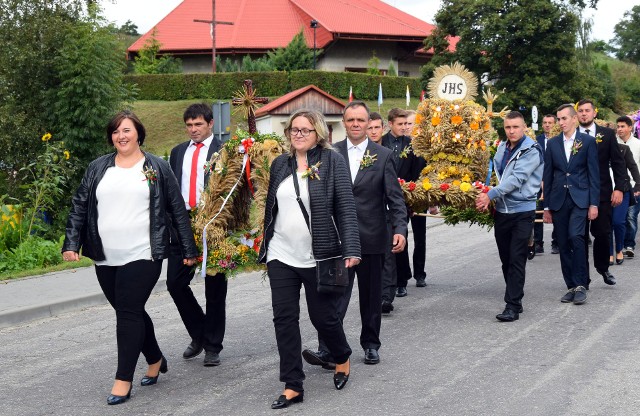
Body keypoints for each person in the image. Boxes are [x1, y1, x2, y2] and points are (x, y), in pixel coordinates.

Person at [62, 111, 198, 405]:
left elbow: (176, 209)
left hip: (144, 253)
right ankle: (155, 357)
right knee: (129, 309)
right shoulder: (98, 167)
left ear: (138, 133)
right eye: (115, 132)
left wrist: (189, 249)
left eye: (126, 130)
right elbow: (79, 206)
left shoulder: (157, 167)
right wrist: (71, 242)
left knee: (128, 312)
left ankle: (123, 378)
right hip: (105, 254)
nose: (120, 136)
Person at [259, 109, 361, 409]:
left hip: (319, 256)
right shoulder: (281, 164)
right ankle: (293, 384)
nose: (298, 134)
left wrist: (352, 249)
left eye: (305, 130)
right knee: (284, 319)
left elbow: (345, 206)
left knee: (323, 318)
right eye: (294, 129)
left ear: (318, 134)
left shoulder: (331, 162)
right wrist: (264, 245)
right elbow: (271, 208)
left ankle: (341, 355)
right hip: (282, 253)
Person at [303, 101, 407, 368]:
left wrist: (400, 230)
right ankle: (328, 349)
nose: (356, 124)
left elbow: (395, 199)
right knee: (332, 295)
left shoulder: (382, 155)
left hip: (373, 238)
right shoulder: (328, 153)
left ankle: (371, 344)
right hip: (337, 240)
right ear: (344, 123)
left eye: (360, 120)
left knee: (371, 298)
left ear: (369, 123)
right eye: (351, 120)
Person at [167, 103, 227, 366]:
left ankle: (213, 345)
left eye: (198, 124)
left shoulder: (224, 151)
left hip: (214, 225)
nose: (193, 130)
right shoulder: (177, 152)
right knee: (175, 283)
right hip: (183, 225)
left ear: (210, 124)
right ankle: (199, 333)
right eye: (189, 125)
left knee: (214, 288)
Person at [476, 111, 543, 321]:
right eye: (508, 127)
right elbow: (497, 175)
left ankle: (512, 305)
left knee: (516, 258)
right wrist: (484, 191)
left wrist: (490, 194)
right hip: (502, 211)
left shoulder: (531, 149)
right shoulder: (502, 148)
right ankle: (516, 298)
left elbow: (516, 178)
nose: (512, 131)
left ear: (524, 127)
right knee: (506, 259)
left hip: (523, 211)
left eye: (515, 127)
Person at [542, 104, 599, 305]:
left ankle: (582, 284)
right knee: (563, 243)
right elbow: (547, 175)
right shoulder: (553, 144)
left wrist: (594, 204)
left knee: (576, 237)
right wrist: (547, 205)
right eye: (559, 119)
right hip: (558, 199)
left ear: (574, 119)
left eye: (564, 118)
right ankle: (571, 286)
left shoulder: (588, 142)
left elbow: (594, 174)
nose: (561, 122)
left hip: (580, 198)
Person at [576, 99, 626, 287]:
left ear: (594, 113)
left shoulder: (606, 134)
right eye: (580, 111)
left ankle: (603, 267)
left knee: (603, 233)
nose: (584, 114)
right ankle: (583, 278)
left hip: (603, 192)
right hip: (578, 192)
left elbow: (618, 162)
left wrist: (619, 188)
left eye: (587, 110)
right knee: (579, 237)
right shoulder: (572, 136)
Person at [381, 108, 418, 298]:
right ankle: (389, 282)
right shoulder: (381, 143)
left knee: (400, 239)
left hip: (403, 200)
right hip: (382, 199)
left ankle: (402, 280)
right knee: (386, 243)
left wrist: (412, 202)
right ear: (390, 124)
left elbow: (416, 173)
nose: (404, 127)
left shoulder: (412, 144)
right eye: (400, 124)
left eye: (406, 124)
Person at [368, 112, 397, 314]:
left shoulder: (388, 151)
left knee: (388, 256)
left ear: (382, 128)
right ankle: (375, 293)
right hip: (367, 213)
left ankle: (386, 295)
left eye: (376, 127)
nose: (373, 131)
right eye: (369, 128)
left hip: (386, 211)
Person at [404, 109, 430, 287]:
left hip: (420, 198)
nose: (406, 127)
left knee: (420, 238)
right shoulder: (399, 145)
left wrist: (431, 199)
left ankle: (419, 273)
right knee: (401, 237)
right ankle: (402, 276)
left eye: (410, 124)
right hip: (402, 198)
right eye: (404, 124)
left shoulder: (425, 147)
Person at [609, 142, 640, 265]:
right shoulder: (598, 149)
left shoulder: (623, 149)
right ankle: (610, 252)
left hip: (623, 190)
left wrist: (638, 185)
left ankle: (619, 249)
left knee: (618, 221)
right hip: (604, 191)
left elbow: (633, 167)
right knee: (607, 224)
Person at [534, 114, 558, 254]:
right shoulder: (537, 141)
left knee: (556, 211)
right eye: (545, 122)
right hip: (538, 181)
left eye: (550, 122)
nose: (547, 125)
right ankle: (538, 243)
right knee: (538, 211)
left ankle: (557, 242)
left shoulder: (560, 140)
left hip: (556, 181)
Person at [618, 115, 640, 258]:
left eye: (622, 126)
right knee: (620, 218)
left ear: (630, 127)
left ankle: (629, 244)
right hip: (618, 186)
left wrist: (638, 185)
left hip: (634, 185)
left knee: (631, 216)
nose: (619, 129)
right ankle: (620, 243)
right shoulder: (612, 144)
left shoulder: (638, 144)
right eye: (618, 126)